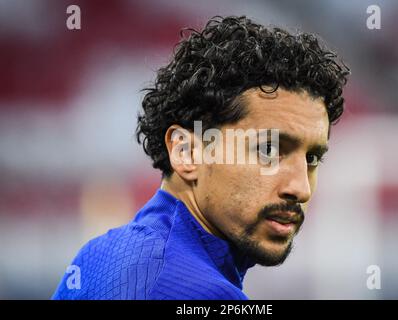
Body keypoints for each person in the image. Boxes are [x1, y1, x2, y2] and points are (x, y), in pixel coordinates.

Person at [52, 15, 349, 300]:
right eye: (268, 150)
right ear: (187, 152)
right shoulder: (201, 293)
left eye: (311, 158)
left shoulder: (98, 254)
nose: (301, 188)